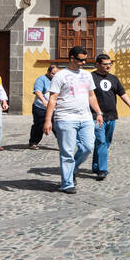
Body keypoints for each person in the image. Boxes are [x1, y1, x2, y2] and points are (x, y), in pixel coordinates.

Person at [43, 46, 104, 193]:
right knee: (67, 152)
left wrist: (99, 112)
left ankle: (73, 168)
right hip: (65, 118)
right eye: (80, 60)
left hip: (86, 118)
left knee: (88, 147)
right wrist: (48, 120)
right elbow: (53, 98)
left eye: (85, 60)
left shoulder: (87, 75)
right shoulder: (60, 76)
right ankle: (67, 183)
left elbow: (91, 96)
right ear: (71, 58)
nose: (83, 63)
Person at [90, 53, 130, 181]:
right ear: (98, 64)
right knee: (101, 141)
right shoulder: (90, 78)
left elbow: (122, 93)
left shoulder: (113, 79)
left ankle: (96, 165)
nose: (108, 66)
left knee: (106, 142)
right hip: (97, 116)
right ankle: (102, 169)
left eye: (110, 64)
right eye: (105, 64)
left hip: (111, 116)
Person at [30, 64, 59, 149]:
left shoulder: (58, 80)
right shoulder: (41, 79)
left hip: (53, 108)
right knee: (39, 125)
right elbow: (37, 91)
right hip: (40, 107)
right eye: (53, 74)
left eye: (56, 74)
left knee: (57, 126)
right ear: (48, 72)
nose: (54, 76)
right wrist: (44, 101)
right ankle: (33, 142)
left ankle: (62, 143)